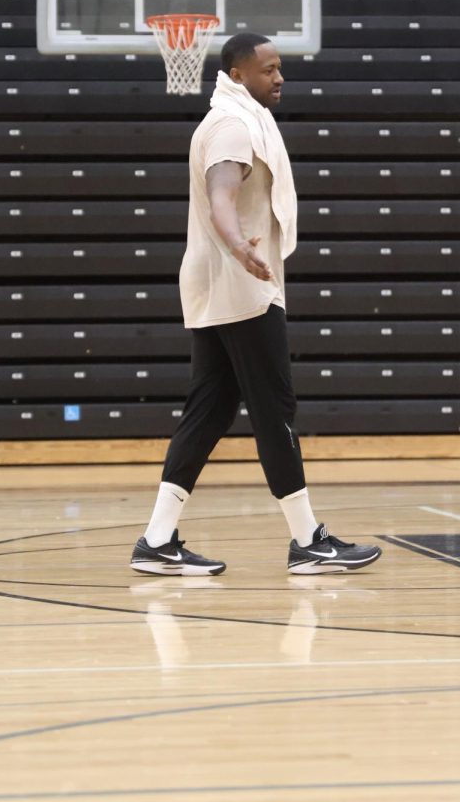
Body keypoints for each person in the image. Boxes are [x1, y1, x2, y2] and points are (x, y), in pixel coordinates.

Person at [131, 32, 382, 576]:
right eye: (269, 69)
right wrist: (242, 246)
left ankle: (156, 540)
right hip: (239, 287)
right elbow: (223, 194)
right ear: (239, 75)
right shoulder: (231, 125)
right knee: (275, 410)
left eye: (280, 67)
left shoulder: (239, 117)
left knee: (211, 410)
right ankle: (307, 541)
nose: (280, 77)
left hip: (220, 285)